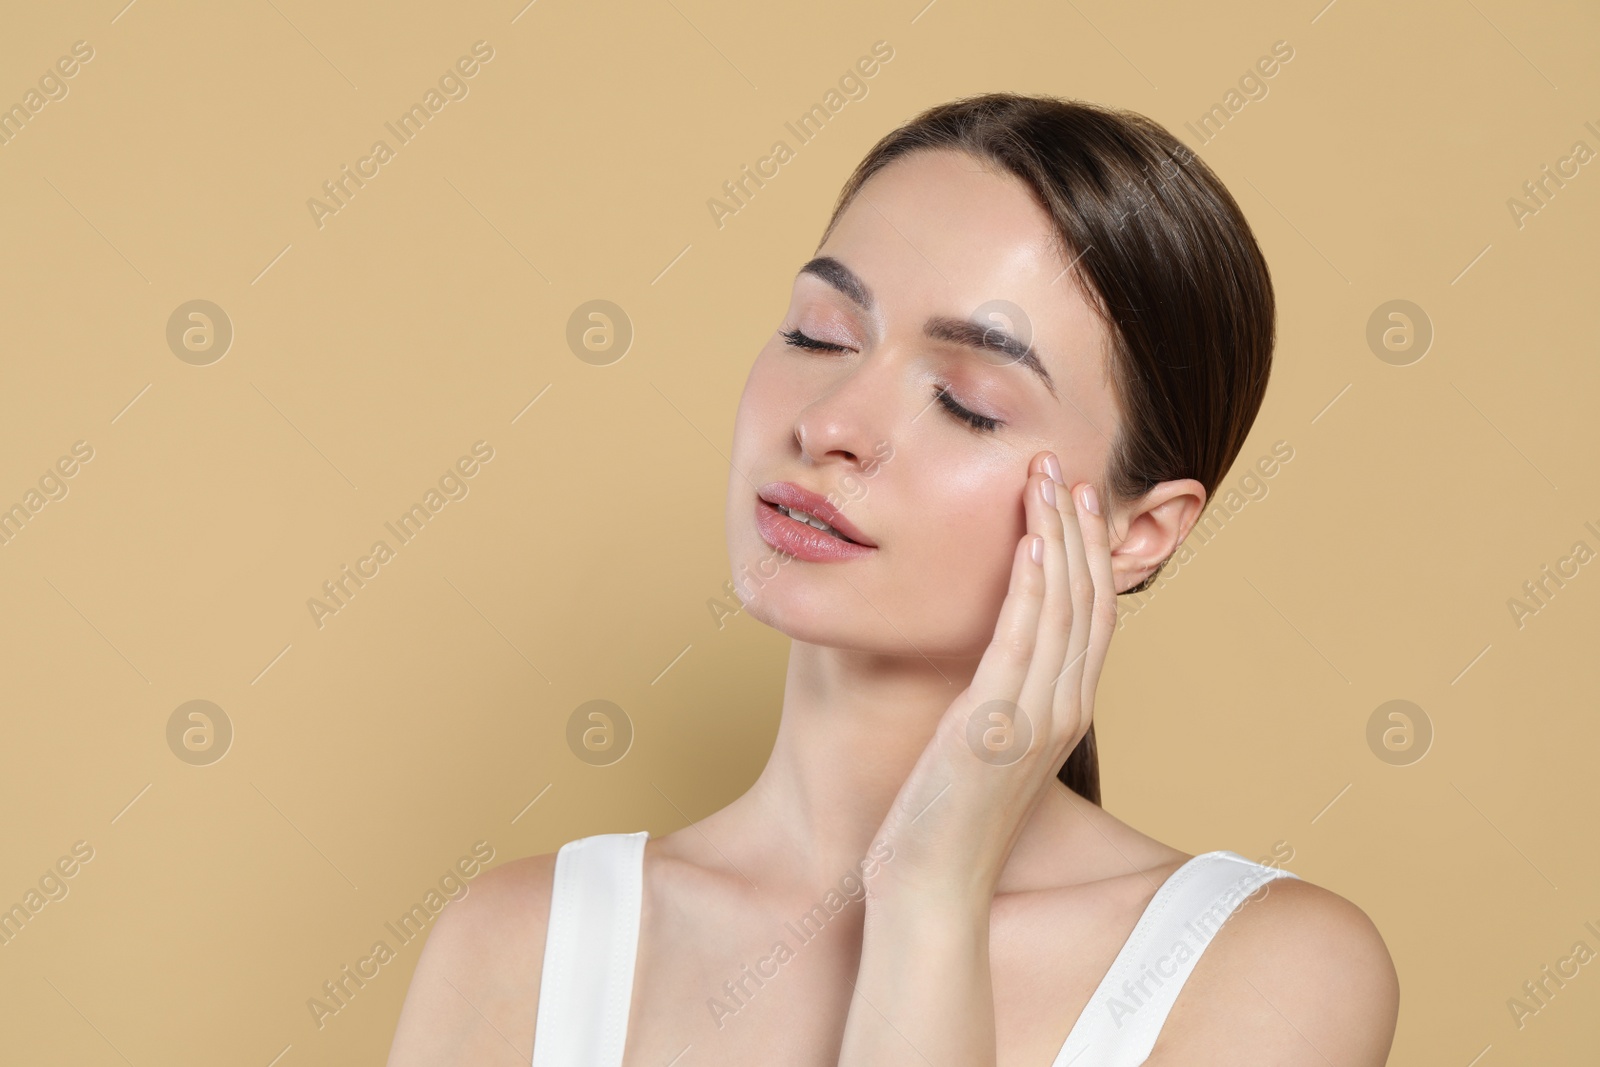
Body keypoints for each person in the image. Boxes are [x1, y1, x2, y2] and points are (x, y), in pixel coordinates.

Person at [386, 92, 1400, 1066]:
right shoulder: (522, 945)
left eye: (965, 401)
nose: (827, 422)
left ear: (1138, 531)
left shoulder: (1261, 966)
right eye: (817, 334)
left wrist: (928, 888)